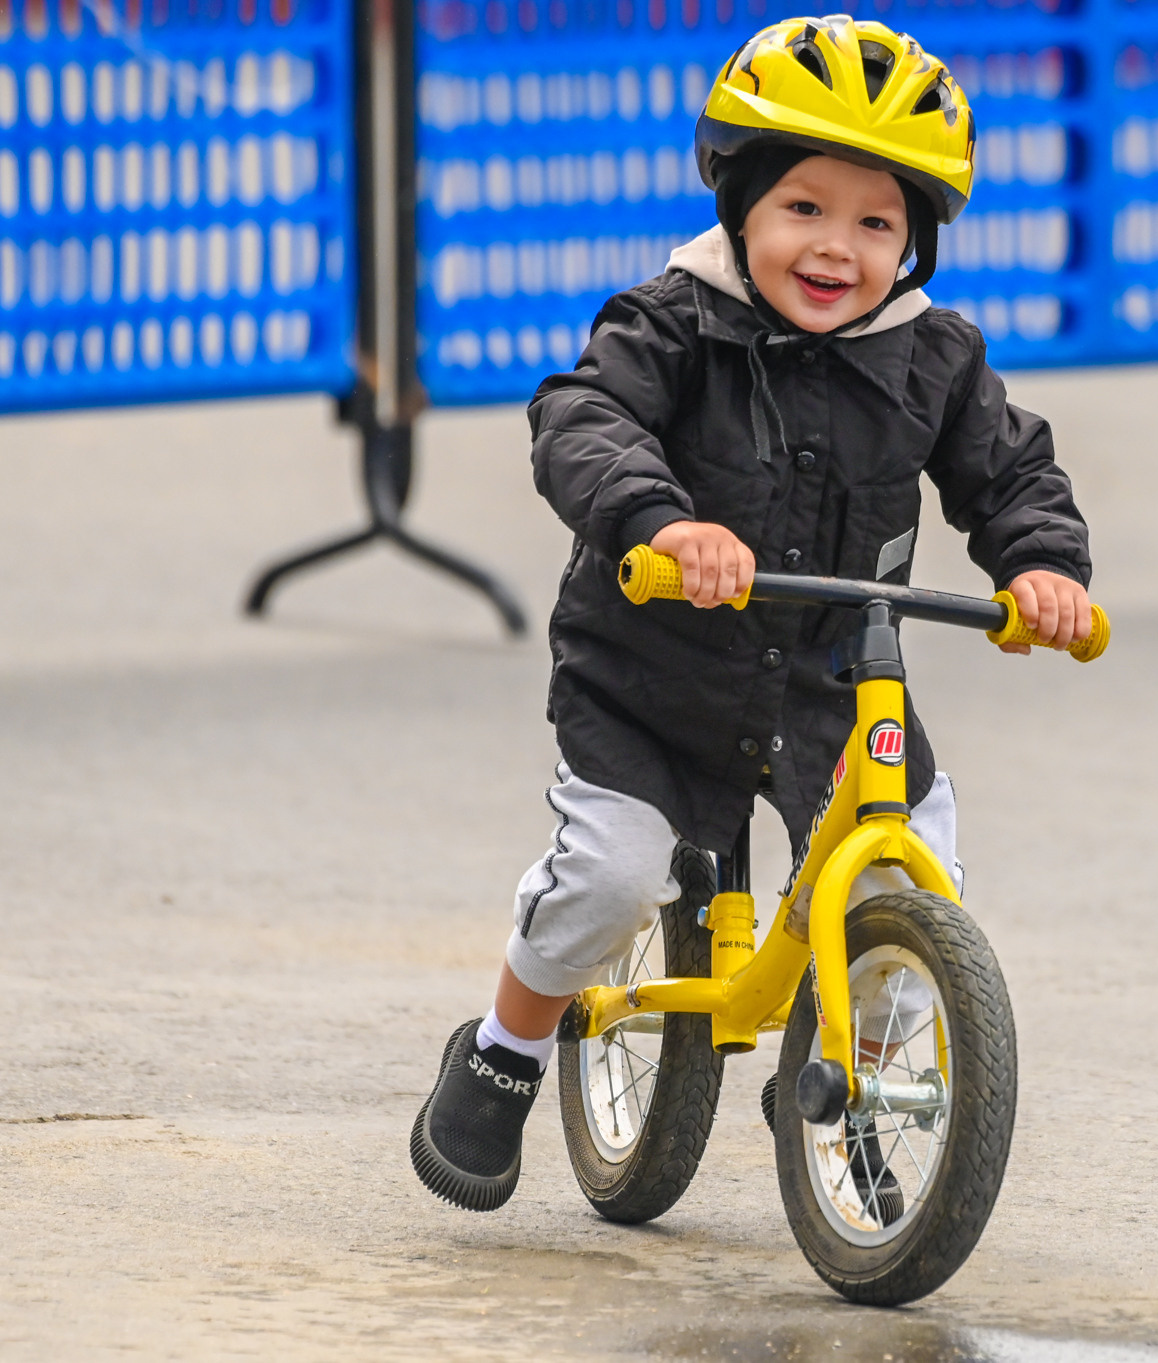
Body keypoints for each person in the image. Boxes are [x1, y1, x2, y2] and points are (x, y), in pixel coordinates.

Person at [410, 15, 1094, 1213]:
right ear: (740, 206)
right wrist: (664, 525)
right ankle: (506, 1048)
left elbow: (1008, 470)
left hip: (832, 676)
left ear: (915, 242)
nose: (837, 248)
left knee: (919, 874)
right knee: (614, 879)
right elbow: (582, 420)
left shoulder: (933, 357)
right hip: (654, 677)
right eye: (804, 209)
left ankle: (850, 1077)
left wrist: (1042, 565)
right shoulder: (671, 322)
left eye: (876, 223)